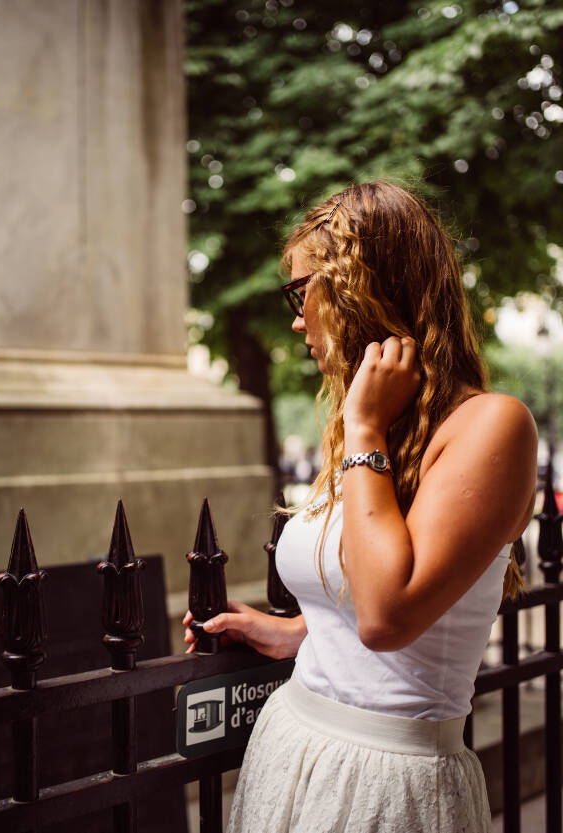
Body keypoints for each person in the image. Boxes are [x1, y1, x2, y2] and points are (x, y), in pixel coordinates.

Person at [182, 182, 537, 833]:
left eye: (302, 293)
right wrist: (292, 630)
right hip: (291, 741)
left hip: (390, 782)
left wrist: (365, 428)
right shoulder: (378, 426)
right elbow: (360, 607)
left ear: (359, 286)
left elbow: (387, 615)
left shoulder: (491, 426)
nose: (297, 320)